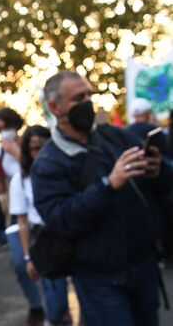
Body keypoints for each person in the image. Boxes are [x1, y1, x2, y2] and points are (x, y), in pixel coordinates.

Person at [32, 70, 172, 326]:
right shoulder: (48, 162)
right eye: (78, 98)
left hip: (144, 266)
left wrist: (157, 168)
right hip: (99, 280)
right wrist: (109, 184)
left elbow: (165, 179)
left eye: (89, 95)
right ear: (54, 107)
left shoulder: (116, 136)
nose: (87, 102)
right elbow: (61, 220)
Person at [8, 126, 71, 326]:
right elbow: (22, 220)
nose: (39, 151)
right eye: (33, 147)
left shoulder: (64, 169)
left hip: (69, 233)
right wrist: (28, 257)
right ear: (27, 150)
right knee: (54, 295)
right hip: (44, 241)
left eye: (43, 146)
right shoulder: (21, 179)